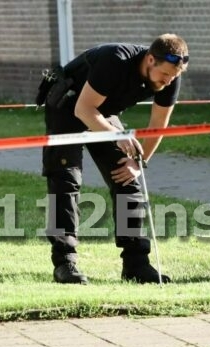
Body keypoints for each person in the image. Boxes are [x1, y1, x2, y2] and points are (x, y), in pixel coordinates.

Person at [39, 33, 188, 284]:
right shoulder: (115, 60)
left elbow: (157, 126)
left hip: (103, 113)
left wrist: (138, 163)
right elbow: (83, 110)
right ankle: (65, 263)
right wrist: (118, 135)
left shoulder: (171, 76)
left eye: (173, 76)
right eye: (164, 75)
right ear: (150, 59)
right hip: (68, 107)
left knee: (127, 180)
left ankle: (136, 265)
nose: (168, 81)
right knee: (66, 182)